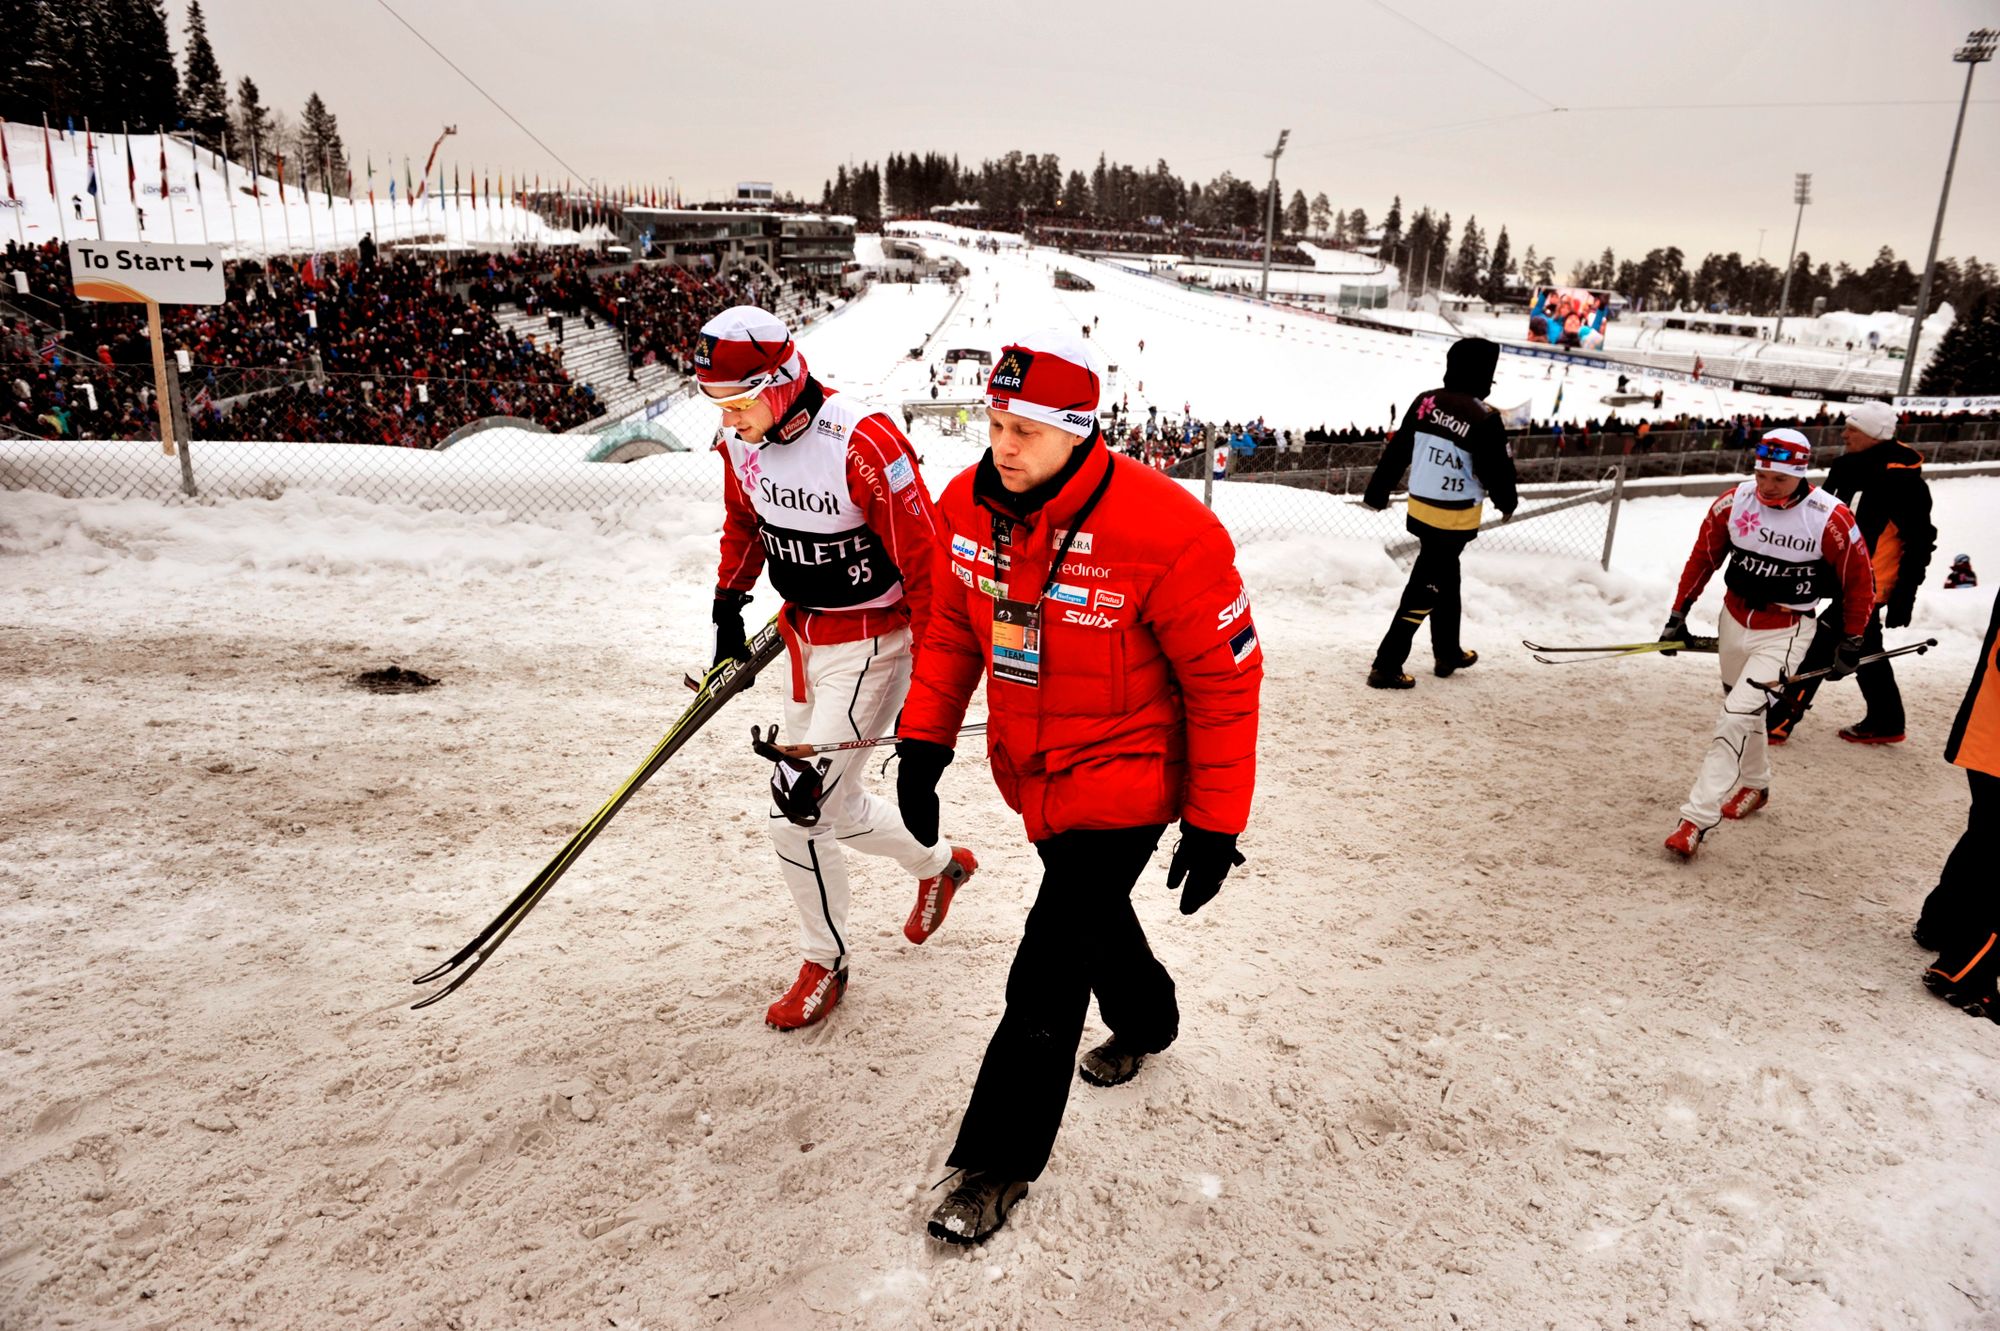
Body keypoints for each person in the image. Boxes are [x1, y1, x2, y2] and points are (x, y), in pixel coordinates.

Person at [894, 329, 1262, 1245]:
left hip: (1132, 776)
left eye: (1023, 428)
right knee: (1086, 916)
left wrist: (1214, 823)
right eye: (993, 420)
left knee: (1049, 957)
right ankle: (1147, 1018)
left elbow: (1225, 681)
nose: (1002, 445)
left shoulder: (1166, 529)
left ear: (1077, 432)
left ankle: (997, 1162)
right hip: (1036, 769)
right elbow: (950, 630)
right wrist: (925, 743)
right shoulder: (967, 509)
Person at [699, 305, 974, 1031]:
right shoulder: (743, 442)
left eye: (738, 403)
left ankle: (826, 960)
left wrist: (929, 705)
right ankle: (939, 866)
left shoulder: (860, 443)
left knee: (796, 813)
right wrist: (729, 604)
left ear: (782, 380)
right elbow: (746, 520)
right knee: (839, 806)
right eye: (716, 406)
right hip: (803, 639)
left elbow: (928, 568)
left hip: (874, 643)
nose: (729, 420)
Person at [1658, 428, 1875, 859]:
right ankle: (1757, 786)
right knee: (1746, 711)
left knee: (1734, 717)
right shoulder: (1733, 502)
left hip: (1787, 628)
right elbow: (1704, 557)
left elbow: (1860, 582)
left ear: (1801, 474)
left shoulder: (1829, 518)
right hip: (1734, 620)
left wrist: (1852, 639)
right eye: (1760, 475)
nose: (1766, 487)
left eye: (1778, 479)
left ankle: (1694, 820)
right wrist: (1677, 615)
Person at [1766, 400, 1935, 745]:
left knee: (1820, 643)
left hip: (1870, 582)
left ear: (1873, 435)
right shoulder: (1846, 468)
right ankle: (1887, 721)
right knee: (1863, 644)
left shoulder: (1903, 482)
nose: (1843, 434)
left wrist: (1905, 594)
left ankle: (1779, 721)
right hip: (1837, 573)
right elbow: (1820, 516)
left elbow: (1920, 542)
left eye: (1852, 429)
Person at [1361, 337, 1519, 688]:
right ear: (1483, 376)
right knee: (1426, 587)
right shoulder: (1484, 417)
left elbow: (1398, 448)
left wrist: (1378, 491)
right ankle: (1386, 665)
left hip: (1420, 508)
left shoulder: (1426, 401)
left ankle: (1447, 651)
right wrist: (1507, 502)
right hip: (1454, 516)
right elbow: (1498, 470)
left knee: (1448, 576)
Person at [1919, 587, 1999, 1022]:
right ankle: (1964, 971)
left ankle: (1940, 923)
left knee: (1988, 835)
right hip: (1995, 736)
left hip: (1988, 731)